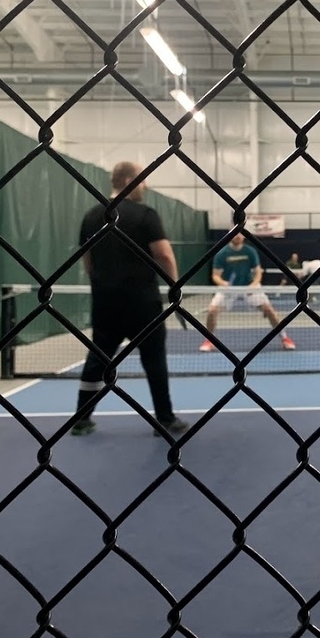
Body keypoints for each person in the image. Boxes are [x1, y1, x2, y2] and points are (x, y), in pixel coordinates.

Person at [72, 161, 189, 438]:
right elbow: (164, 255)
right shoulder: (146, 215)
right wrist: (174, 287)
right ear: (127, 181)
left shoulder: (91, 216)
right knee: (154, 359)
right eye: (142, 180)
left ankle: (80, 420)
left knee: (98, 360)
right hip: (143, 304)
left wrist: (103, 282)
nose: (145, 186)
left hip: (105, 303)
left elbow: (87, 261)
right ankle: (165, 420)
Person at [200, 232, 296, 352]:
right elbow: (216, 276)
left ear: (244, 236)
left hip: (249, 286)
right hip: (229, 289)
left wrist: (253, 285)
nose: (238, 237)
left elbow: (258, 272)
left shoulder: (250, 251)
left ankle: (285, 338)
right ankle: (209, 340)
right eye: (235, 234)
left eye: (240, 235)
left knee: (269, 310)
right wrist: (223, 283)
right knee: (212, 310)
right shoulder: (222, 253)